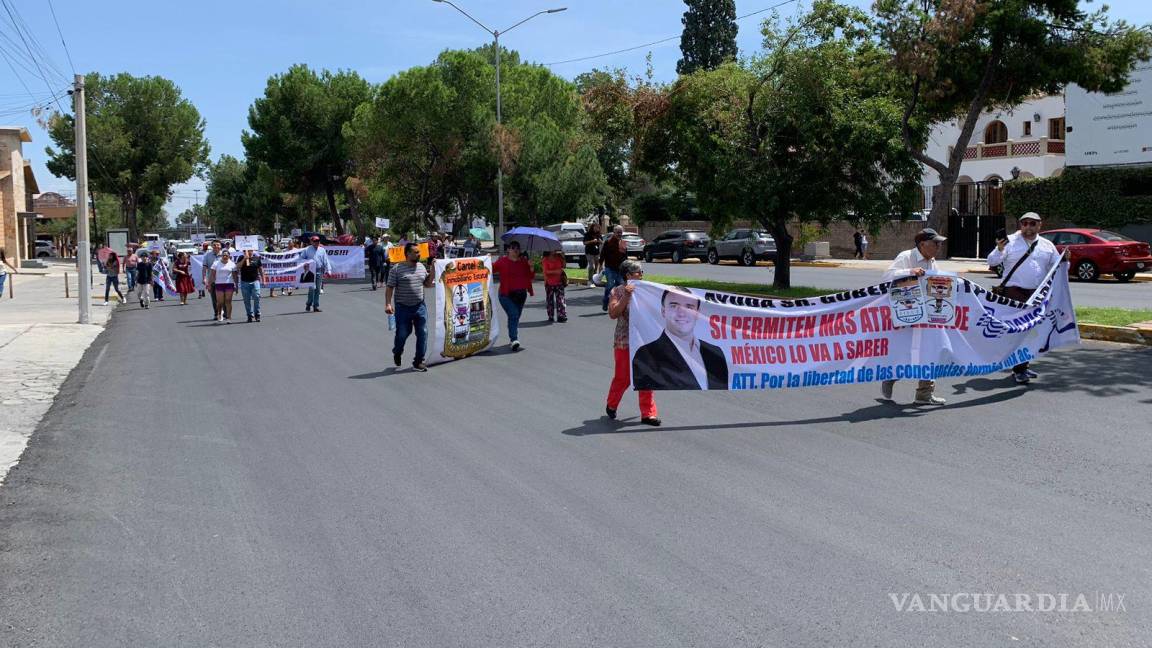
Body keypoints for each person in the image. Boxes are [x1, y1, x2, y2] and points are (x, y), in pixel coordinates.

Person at [987, 211, 1062, 384]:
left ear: (1039, 225)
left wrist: (1066, 260)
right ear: (1020, 225)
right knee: (1018, 331)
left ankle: (1023, 365)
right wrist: (999, 249)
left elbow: (1056, 266)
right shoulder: (1010, 242)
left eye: (1032, 223)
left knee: (1031, 332)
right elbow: (992, 262)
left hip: (1036, 295)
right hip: (1013, 294)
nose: (1028, 226)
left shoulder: (1047, 245)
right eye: (1025, 223)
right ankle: (1018, 368)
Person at [879, 228, 949, 405]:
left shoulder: (932, 262)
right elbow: (886, 277)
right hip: (907, 312)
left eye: (939, 243)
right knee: (906, 349)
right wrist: (910, 272)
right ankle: (892, 376)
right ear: (922, 244)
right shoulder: (906, 257)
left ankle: (924, 394)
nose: (939, 247)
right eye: (936, 243)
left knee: (931, 350)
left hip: (929, 313)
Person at [632, 285, 729, 390]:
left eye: (689, 307)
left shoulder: (716, 353)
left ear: (697, 313)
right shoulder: (646, 355)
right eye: (674, 306)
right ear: (663, 311)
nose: (682, 313)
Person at [606, 260, 660, 426]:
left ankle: (648, 414)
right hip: (625, 341)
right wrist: (627, 296)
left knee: (646, 376)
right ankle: (611, 404)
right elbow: (613, 313)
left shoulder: (647, 291)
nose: (641, 275)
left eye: (642, 272)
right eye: (638, 272)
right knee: (623, 378)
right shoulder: (617, 291)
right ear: (628, 275)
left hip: (645, 340)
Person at [385, 242, 435, 371]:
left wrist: (433, 269)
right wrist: (388, 304)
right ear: (408, 254)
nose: (419, 254)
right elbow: (390, 287)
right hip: (403, 308)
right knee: (402, 334)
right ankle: (397, 351)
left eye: (419, 252)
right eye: (416, 252)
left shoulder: (421, 267)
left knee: (423, 333)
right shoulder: (396, 269)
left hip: (419, 307)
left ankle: (418, 361)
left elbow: (428, 284)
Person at [492, 240, 535, 350]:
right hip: (506, 295)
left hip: (521, 295)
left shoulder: (524, 261)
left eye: (517, 248)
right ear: (508, 250)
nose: (516, 250)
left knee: (515, 317)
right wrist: (486, 259)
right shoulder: (502, 261)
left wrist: (531, 267)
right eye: (513, 247)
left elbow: (530, 276)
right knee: (514, 315)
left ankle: (512, 333)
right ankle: (514, 339)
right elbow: (490, 269)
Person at [300, 235, 331, 312]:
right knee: (311, 289)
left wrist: (329, 270)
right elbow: (301, 258)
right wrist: (306, 263)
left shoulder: (322, 250)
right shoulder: (307, 249)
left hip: (319, 271)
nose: (316, 242)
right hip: (310, 271)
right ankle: (308, 304)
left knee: (317, 289)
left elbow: (325, 260)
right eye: (315, 241)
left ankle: (315, 306)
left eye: (318, 241)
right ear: (311, 242)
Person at [600, 225, 627, 311]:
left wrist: (627, 266)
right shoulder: (608, 242)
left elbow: (625, 256)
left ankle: (618, 305)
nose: (619, 234)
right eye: (617, 232)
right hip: (610, 268)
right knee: (610, 285)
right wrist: (600, 265)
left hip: (620, 269)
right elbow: (603, 254)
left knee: (620, 286)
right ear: (614, 233)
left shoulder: (623, 242)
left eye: (620, 232)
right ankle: (606, 301)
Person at [208, 249, 238, 323]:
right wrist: (209, 285)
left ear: (229, 256)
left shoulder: (232, 264)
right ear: (221, 256)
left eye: (226, 255)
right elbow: (212, 275)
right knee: (220, 302)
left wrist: (236, 285)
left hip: (229, 284)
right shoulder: (216, 263)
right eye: (223, 255)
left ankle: (229, 317)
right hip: (219, 284)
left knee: (228, 301)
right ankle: (219, 314)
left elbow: (235, 276)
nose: (225, 256)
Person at [237, 249, 265, 322]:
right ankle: (249, 315)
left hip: (255, 281)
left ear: (252, 251)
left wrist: (264, 280)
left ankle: (257, 314)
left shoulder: (256, 258)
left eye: (250, 250)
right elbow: (238, 267)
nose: (248, 252)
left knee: (256, 297)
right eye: (246, 251)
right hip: (244, 282)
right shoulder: (240, 258)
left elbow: (261, 270)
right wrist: (244, 259)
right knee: (246, 300)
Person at [541, 250, 567, 323]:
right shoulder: (545, 259)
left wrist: (563, 257)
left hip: (559, 282)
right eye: (553, 249)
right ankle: (551, 315)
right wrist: (556, 271)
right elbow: (546, 271)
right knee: (550, 301)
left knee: (561, 300)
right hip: (549, 283)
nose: (555, 250)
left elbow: (564, 266)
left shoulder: (559, 257)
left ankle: (561, 315)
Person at [201, 240, 222, 314]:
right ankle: (217, 313)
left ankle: (225, 313)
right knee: (214, 298)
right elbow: (204, 268)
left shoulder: (225, 254)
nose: (216, 246)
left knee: (224, 298)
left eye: (218, 245)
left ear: (220, 246)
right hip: (212, 280)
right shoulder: (207, 255)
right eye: (214, 245)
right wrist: (204, 278)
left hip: (223, 280)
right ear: (212, 246)